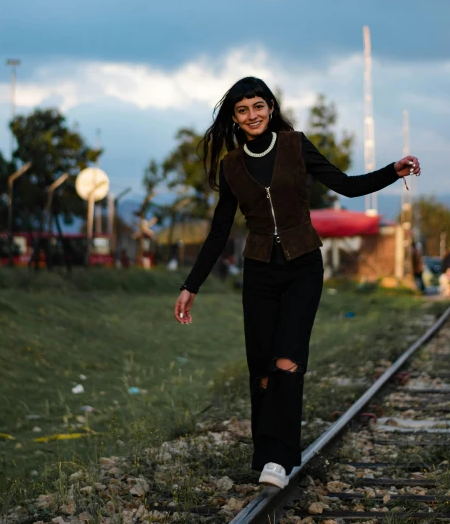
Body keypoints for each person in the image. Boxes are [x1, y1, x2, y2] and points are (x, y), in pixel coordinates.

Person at [173, 77, 421, 489]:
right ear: (234, 118)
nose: (252, 115)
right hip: (259, 272)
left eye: (258, 106)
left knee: (287, 360)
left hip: (303, 266)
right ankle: (267, 451)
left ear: (270, 107)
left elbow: (345, 184)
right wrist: (191, 285)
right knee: (263, 369)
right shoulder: (231, 165)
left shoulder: (295, 145)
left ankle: (280, 459)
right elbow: (219, 232)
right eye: (242, 110)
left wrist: (391, 173)